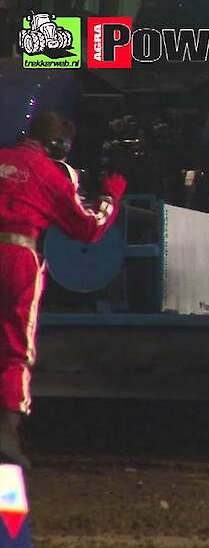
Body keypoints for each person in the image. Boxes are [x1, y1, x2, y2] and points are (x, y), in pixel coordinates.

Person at [0, 111, 127, 467]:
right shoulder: (49, 175)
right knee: (14, 348)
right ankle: (6, 434)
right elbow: (89, 229)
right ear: (58, 146)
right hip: (18, 258)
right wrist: (111, 197)